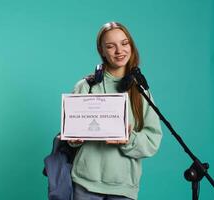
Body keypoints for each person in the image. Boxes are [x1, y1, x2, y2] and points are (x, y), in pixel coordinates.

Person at [68, 22, 163, 200]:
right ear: (102, 50)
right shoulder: (85, 87)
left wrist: (128, 138)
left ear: (131, 46)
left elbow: (153, 140)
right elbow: (72, 136)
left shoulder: (141, 90)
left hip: (124, 187)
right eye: (111, 46)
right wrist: (73, 139)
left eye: (124, 43)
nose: (119, 51)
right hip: (84, 184)